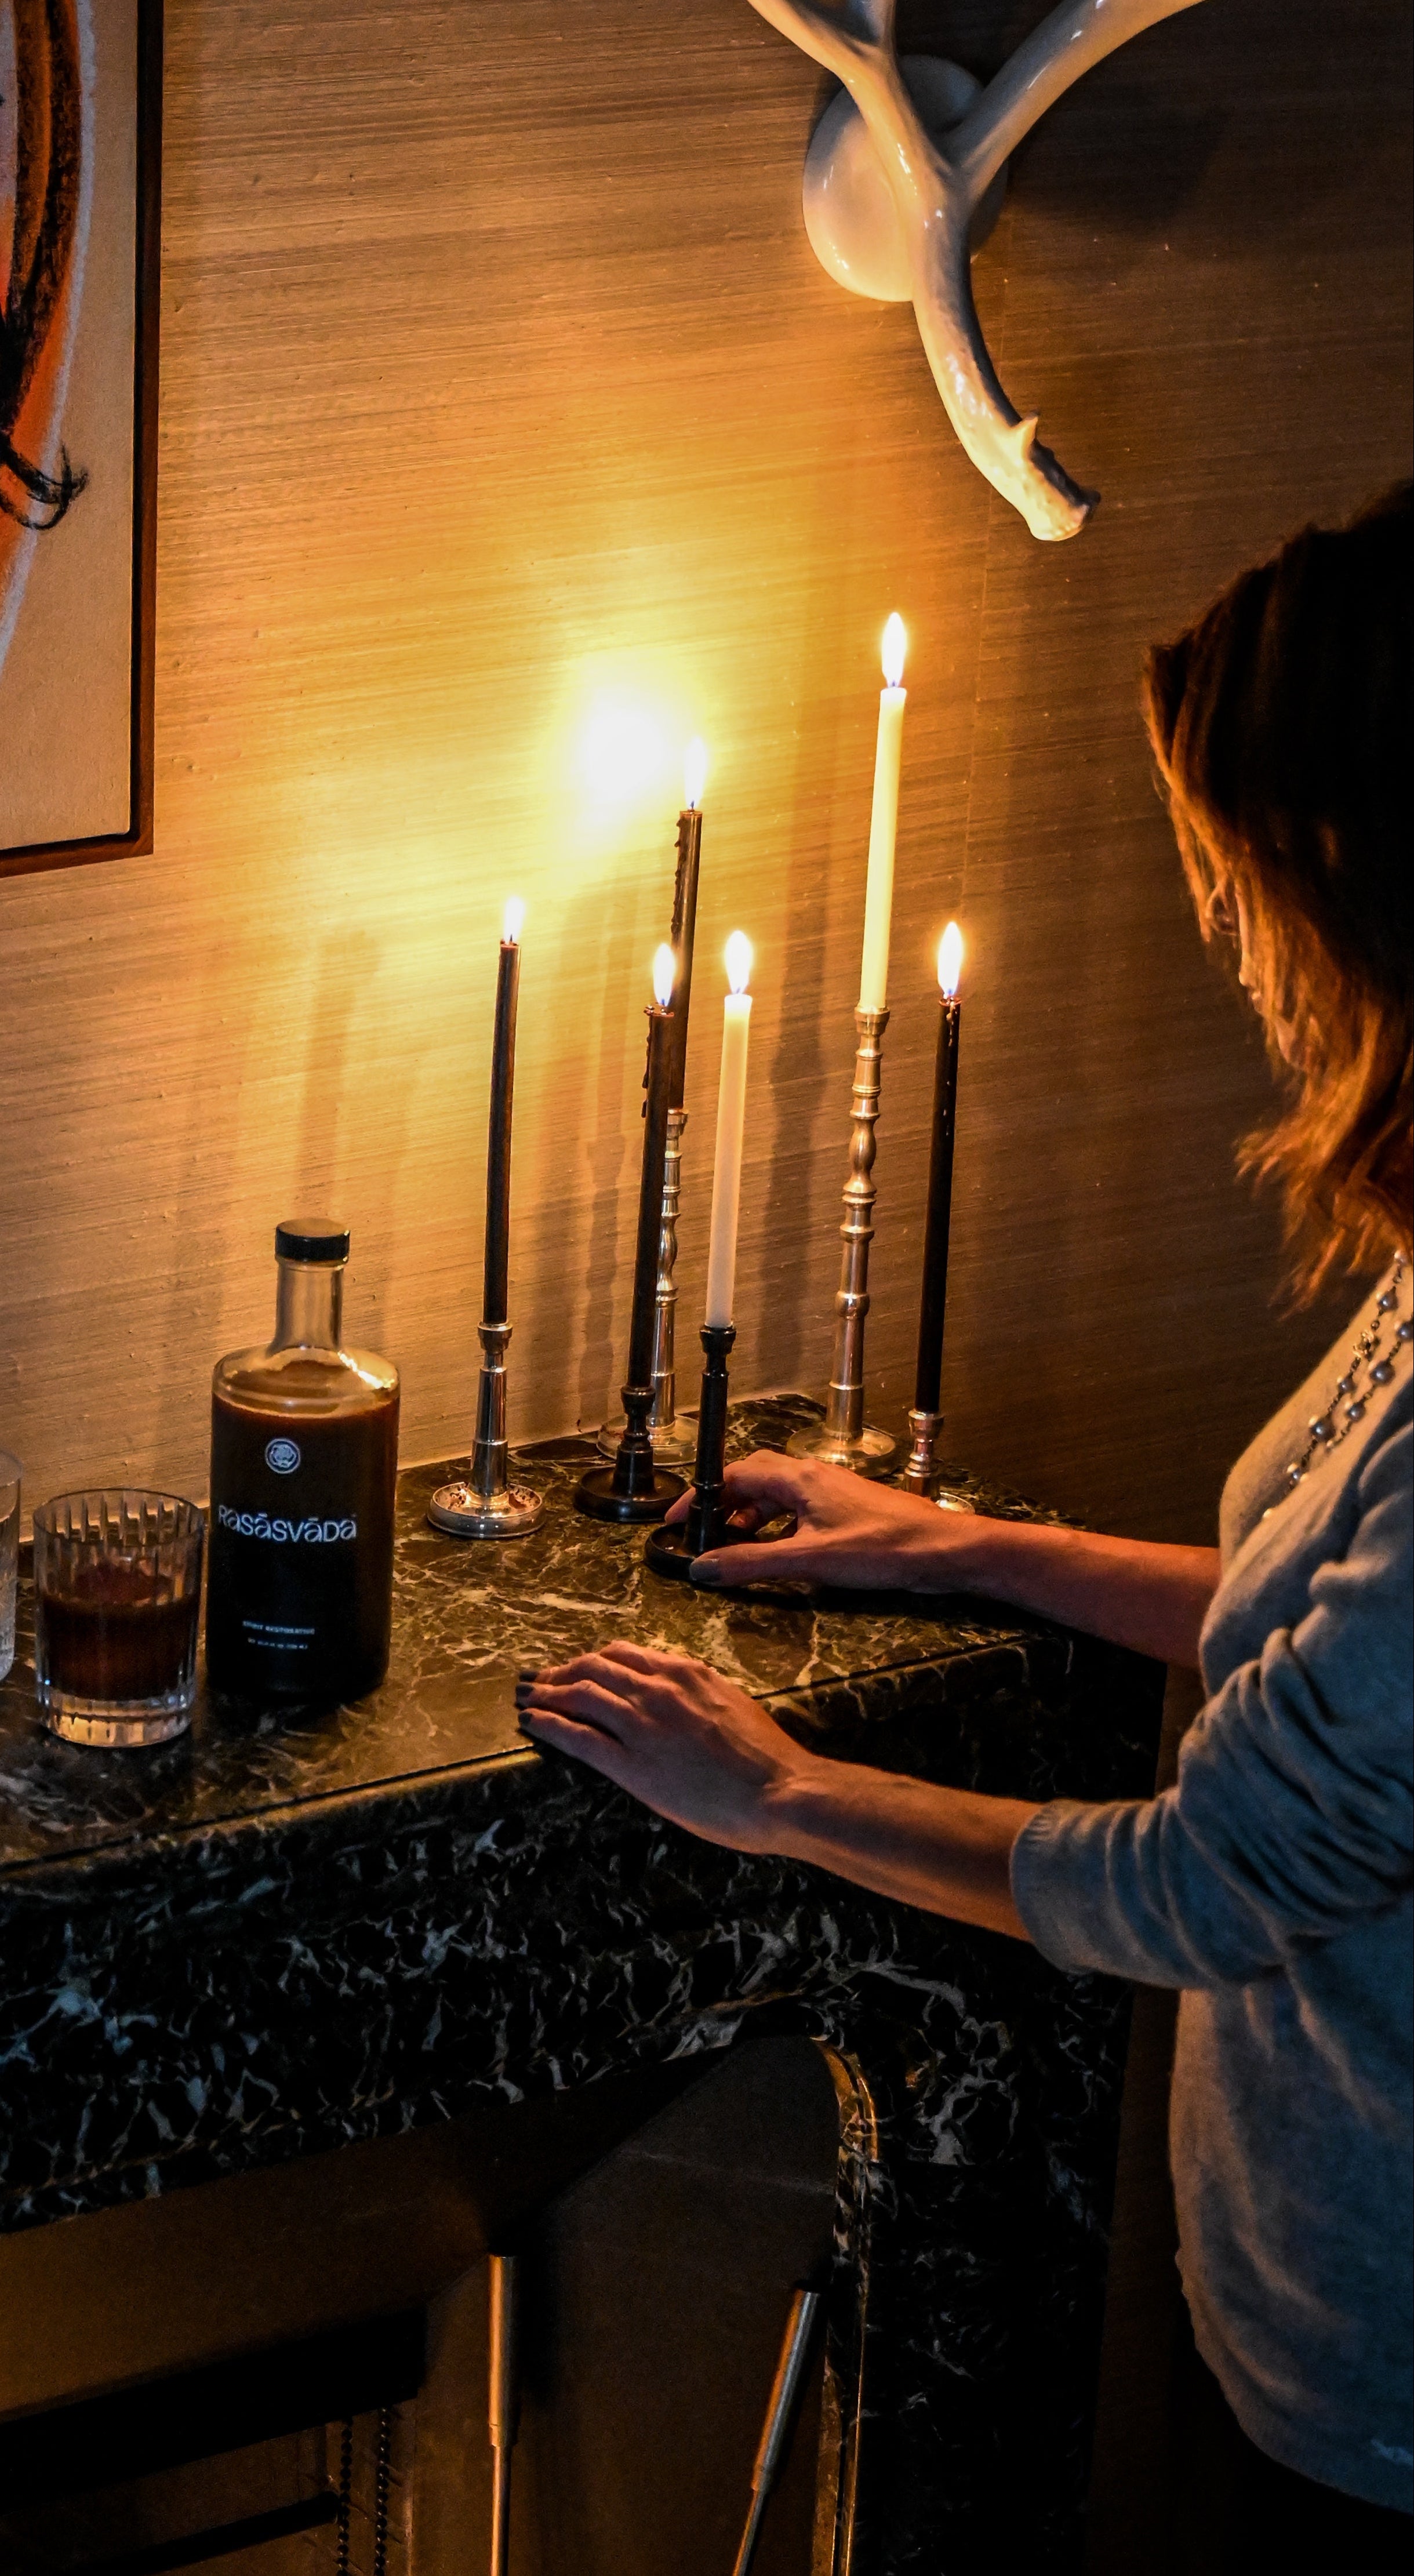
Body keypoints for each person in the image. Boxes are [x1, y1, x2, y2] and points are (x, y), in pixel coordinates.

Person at [517, 487, 1413, 2558]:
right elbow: (1332, 1645)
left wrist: (779, 1788)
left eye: (1243, 882)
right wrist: (951, 1544)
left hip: (1374, 2372)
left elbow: (1208, 1880)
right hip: (1291, 2292)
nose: (1236, 946)